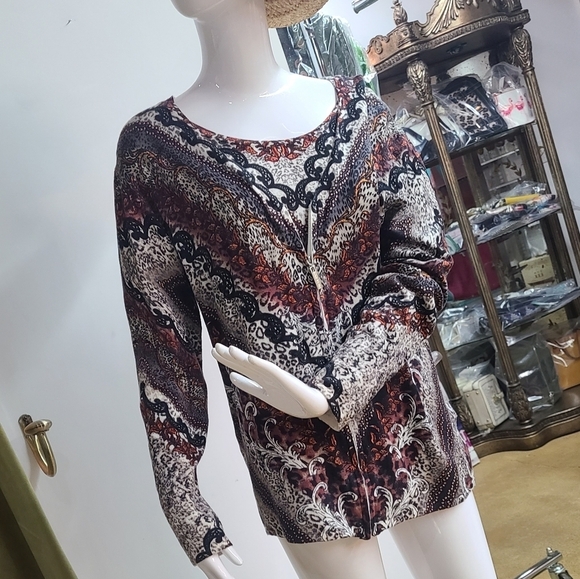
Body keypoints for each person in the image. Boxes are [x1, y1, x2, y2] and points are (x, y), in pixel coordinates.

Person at [114, 0, 498, 577]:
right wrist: (182, 497)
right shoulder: (154, 153)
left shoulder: (362, 115)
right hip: (295, 465)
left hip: (412, 422)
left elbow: (420, 261)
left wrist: (339, 386)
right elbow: (158, 330)